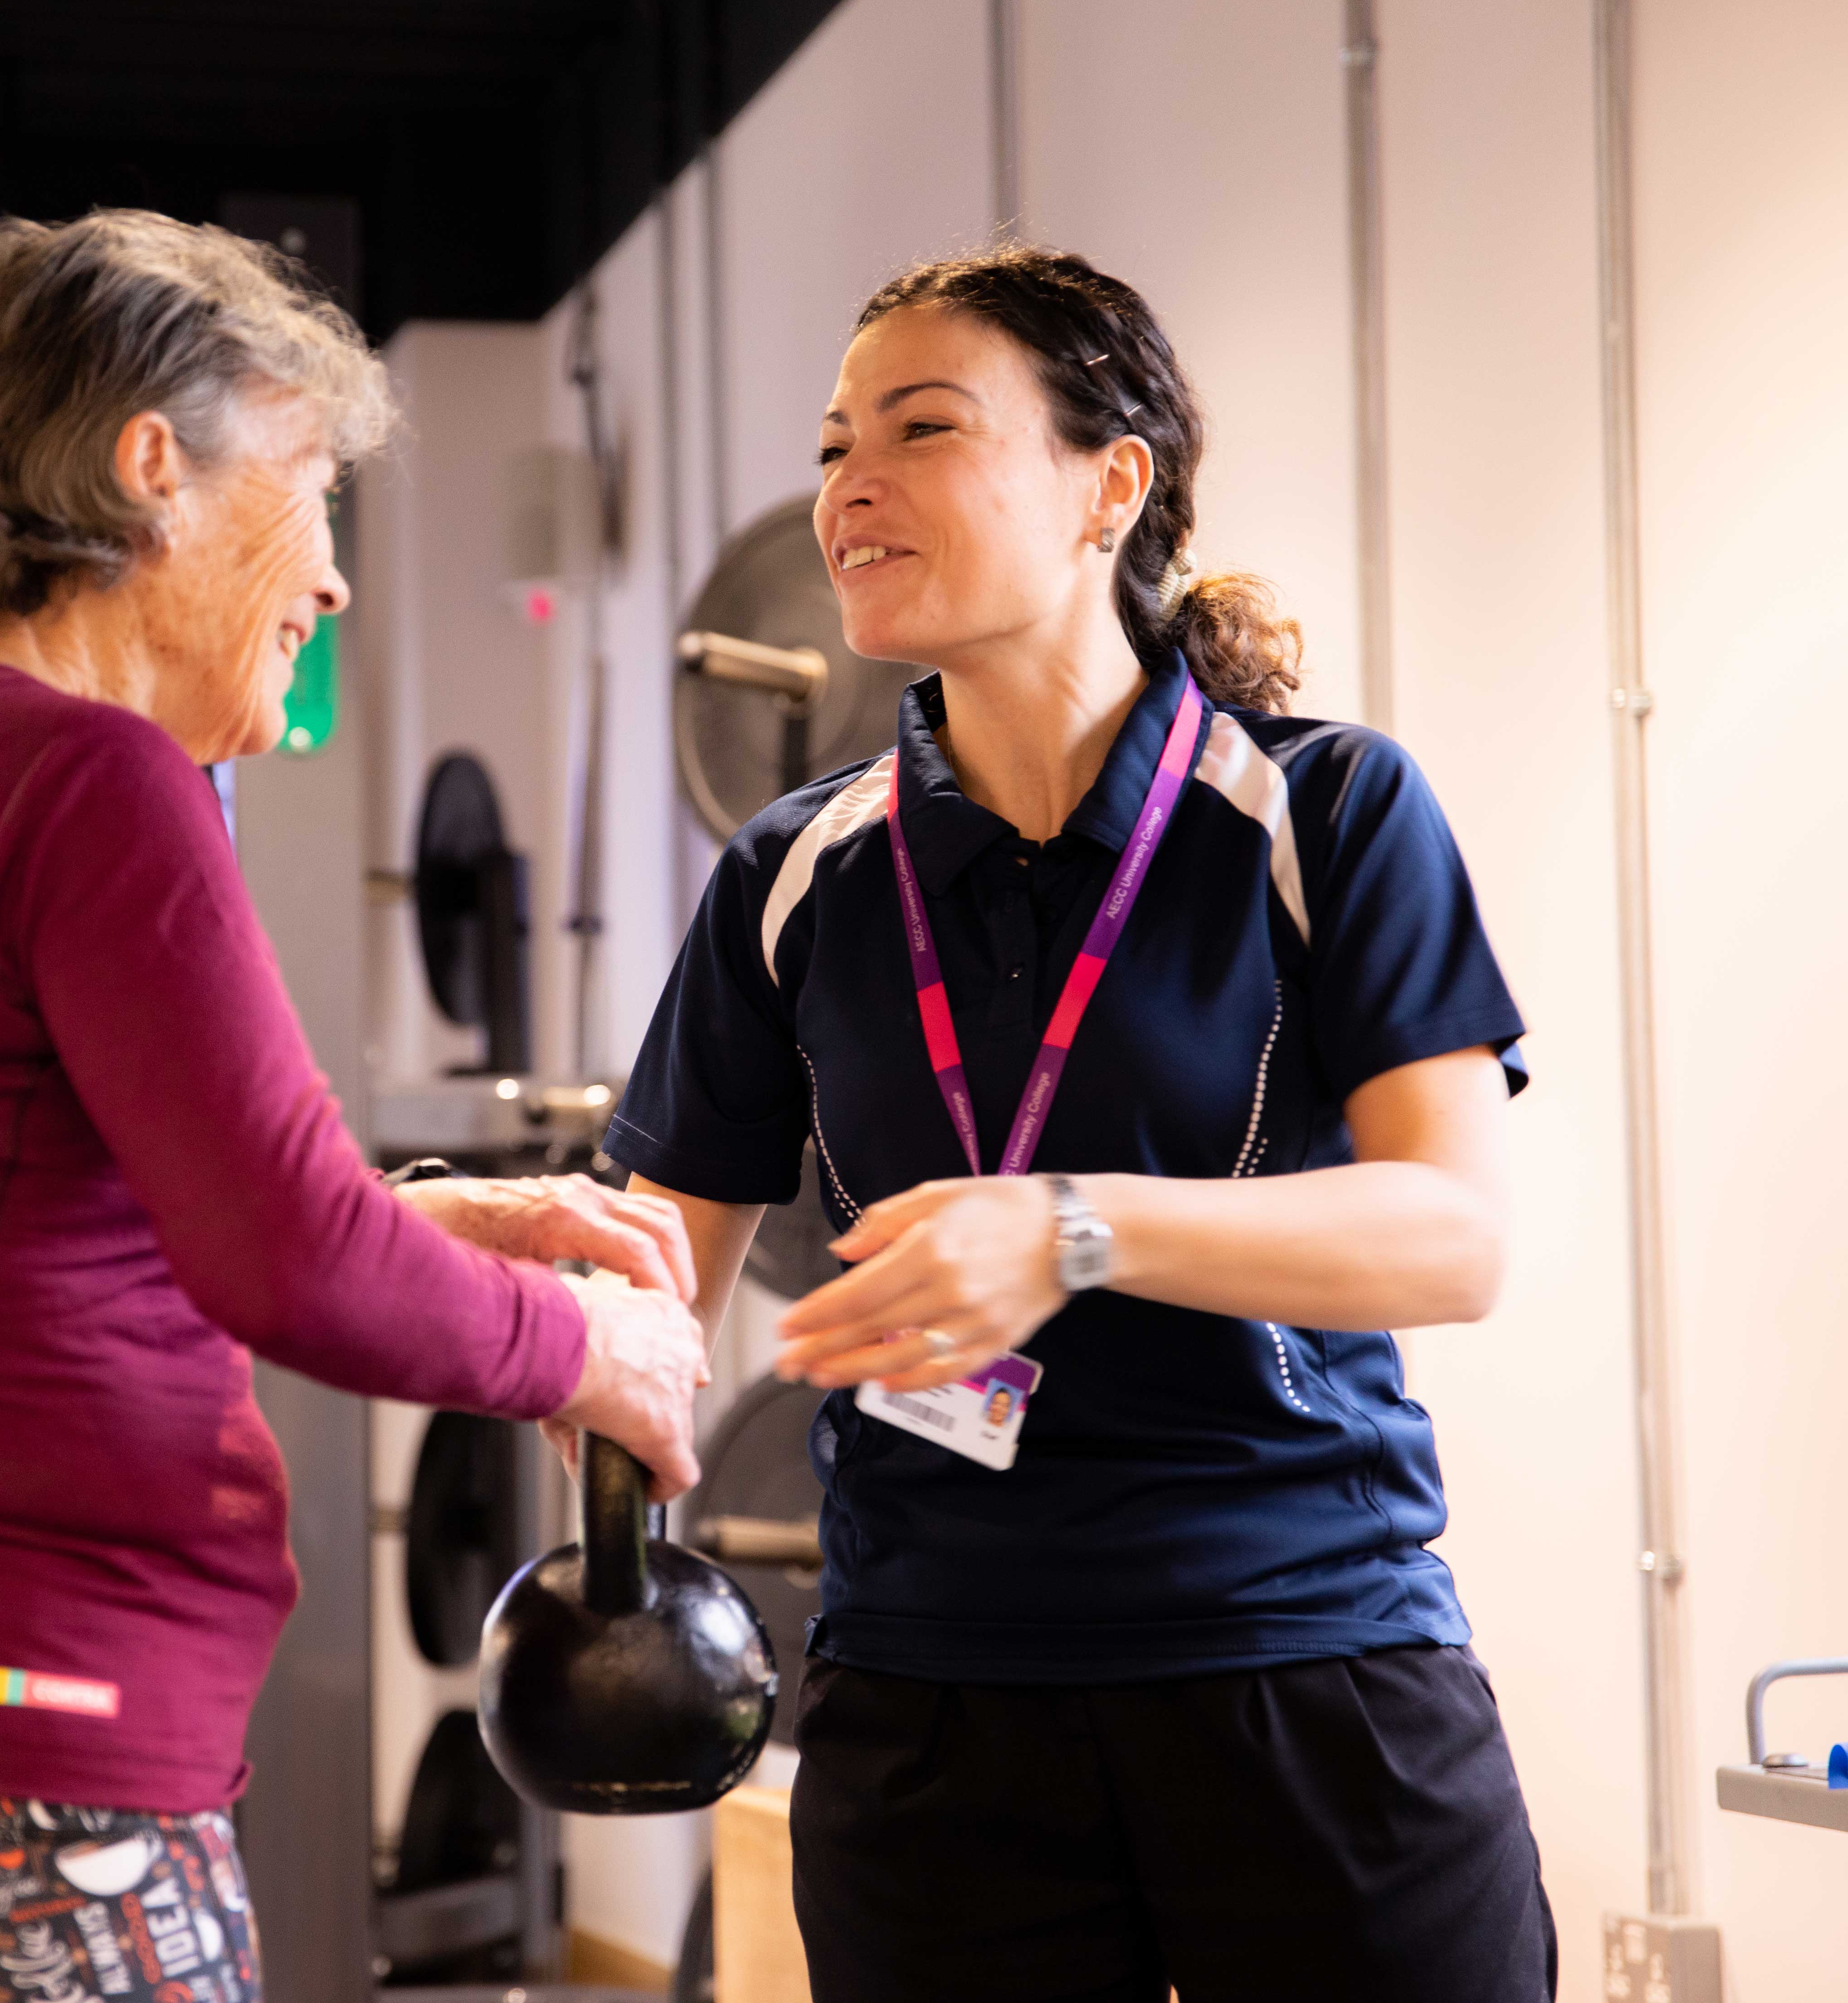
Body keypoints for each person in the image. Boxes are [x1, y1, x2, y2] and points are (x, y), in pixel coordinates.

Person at [0, 210, 705, 2003]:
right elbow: (290, 1254)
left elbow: (80, 1217)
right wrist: (587, 1349)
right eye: (310, 492)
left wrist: (455, 1220)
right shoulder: (84, 775)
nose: (334, 582)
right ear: (154, 469)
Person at [606, 245, 1554, 2002]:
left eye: (921, 428)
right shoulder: (798, 870)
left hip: (1309, 1662)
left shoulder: (1327, 808)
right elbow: (647, 1282)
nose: (847, 488)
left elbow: (1456, 1234)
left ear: (1110, 486)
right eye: (831, 447)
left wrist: (1069, 1224)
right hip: (932, 1713)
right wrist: (577, 1417)